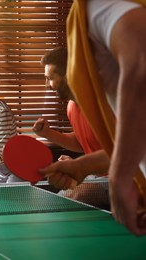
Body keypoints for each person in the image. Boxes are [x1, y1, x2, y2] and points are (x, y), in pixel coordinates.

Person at [42, 0, 146, 235]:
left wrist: (118, 177)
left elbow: (141, 64)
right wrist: (83, 165)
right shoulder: (83, 15)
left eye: (51, 77)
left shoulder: (99, 4)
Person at [32, 47, 109, 208]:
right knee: (55, 202)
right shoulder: (72, 106)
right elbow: (83, 140)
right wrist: (48, 133)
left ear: (69, 76)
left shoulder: (106, 105)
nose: (47, 85)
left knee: (71, 197)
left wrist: (80, 165)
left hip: (126, 178)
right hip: (97, 175)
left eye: (50, 78)